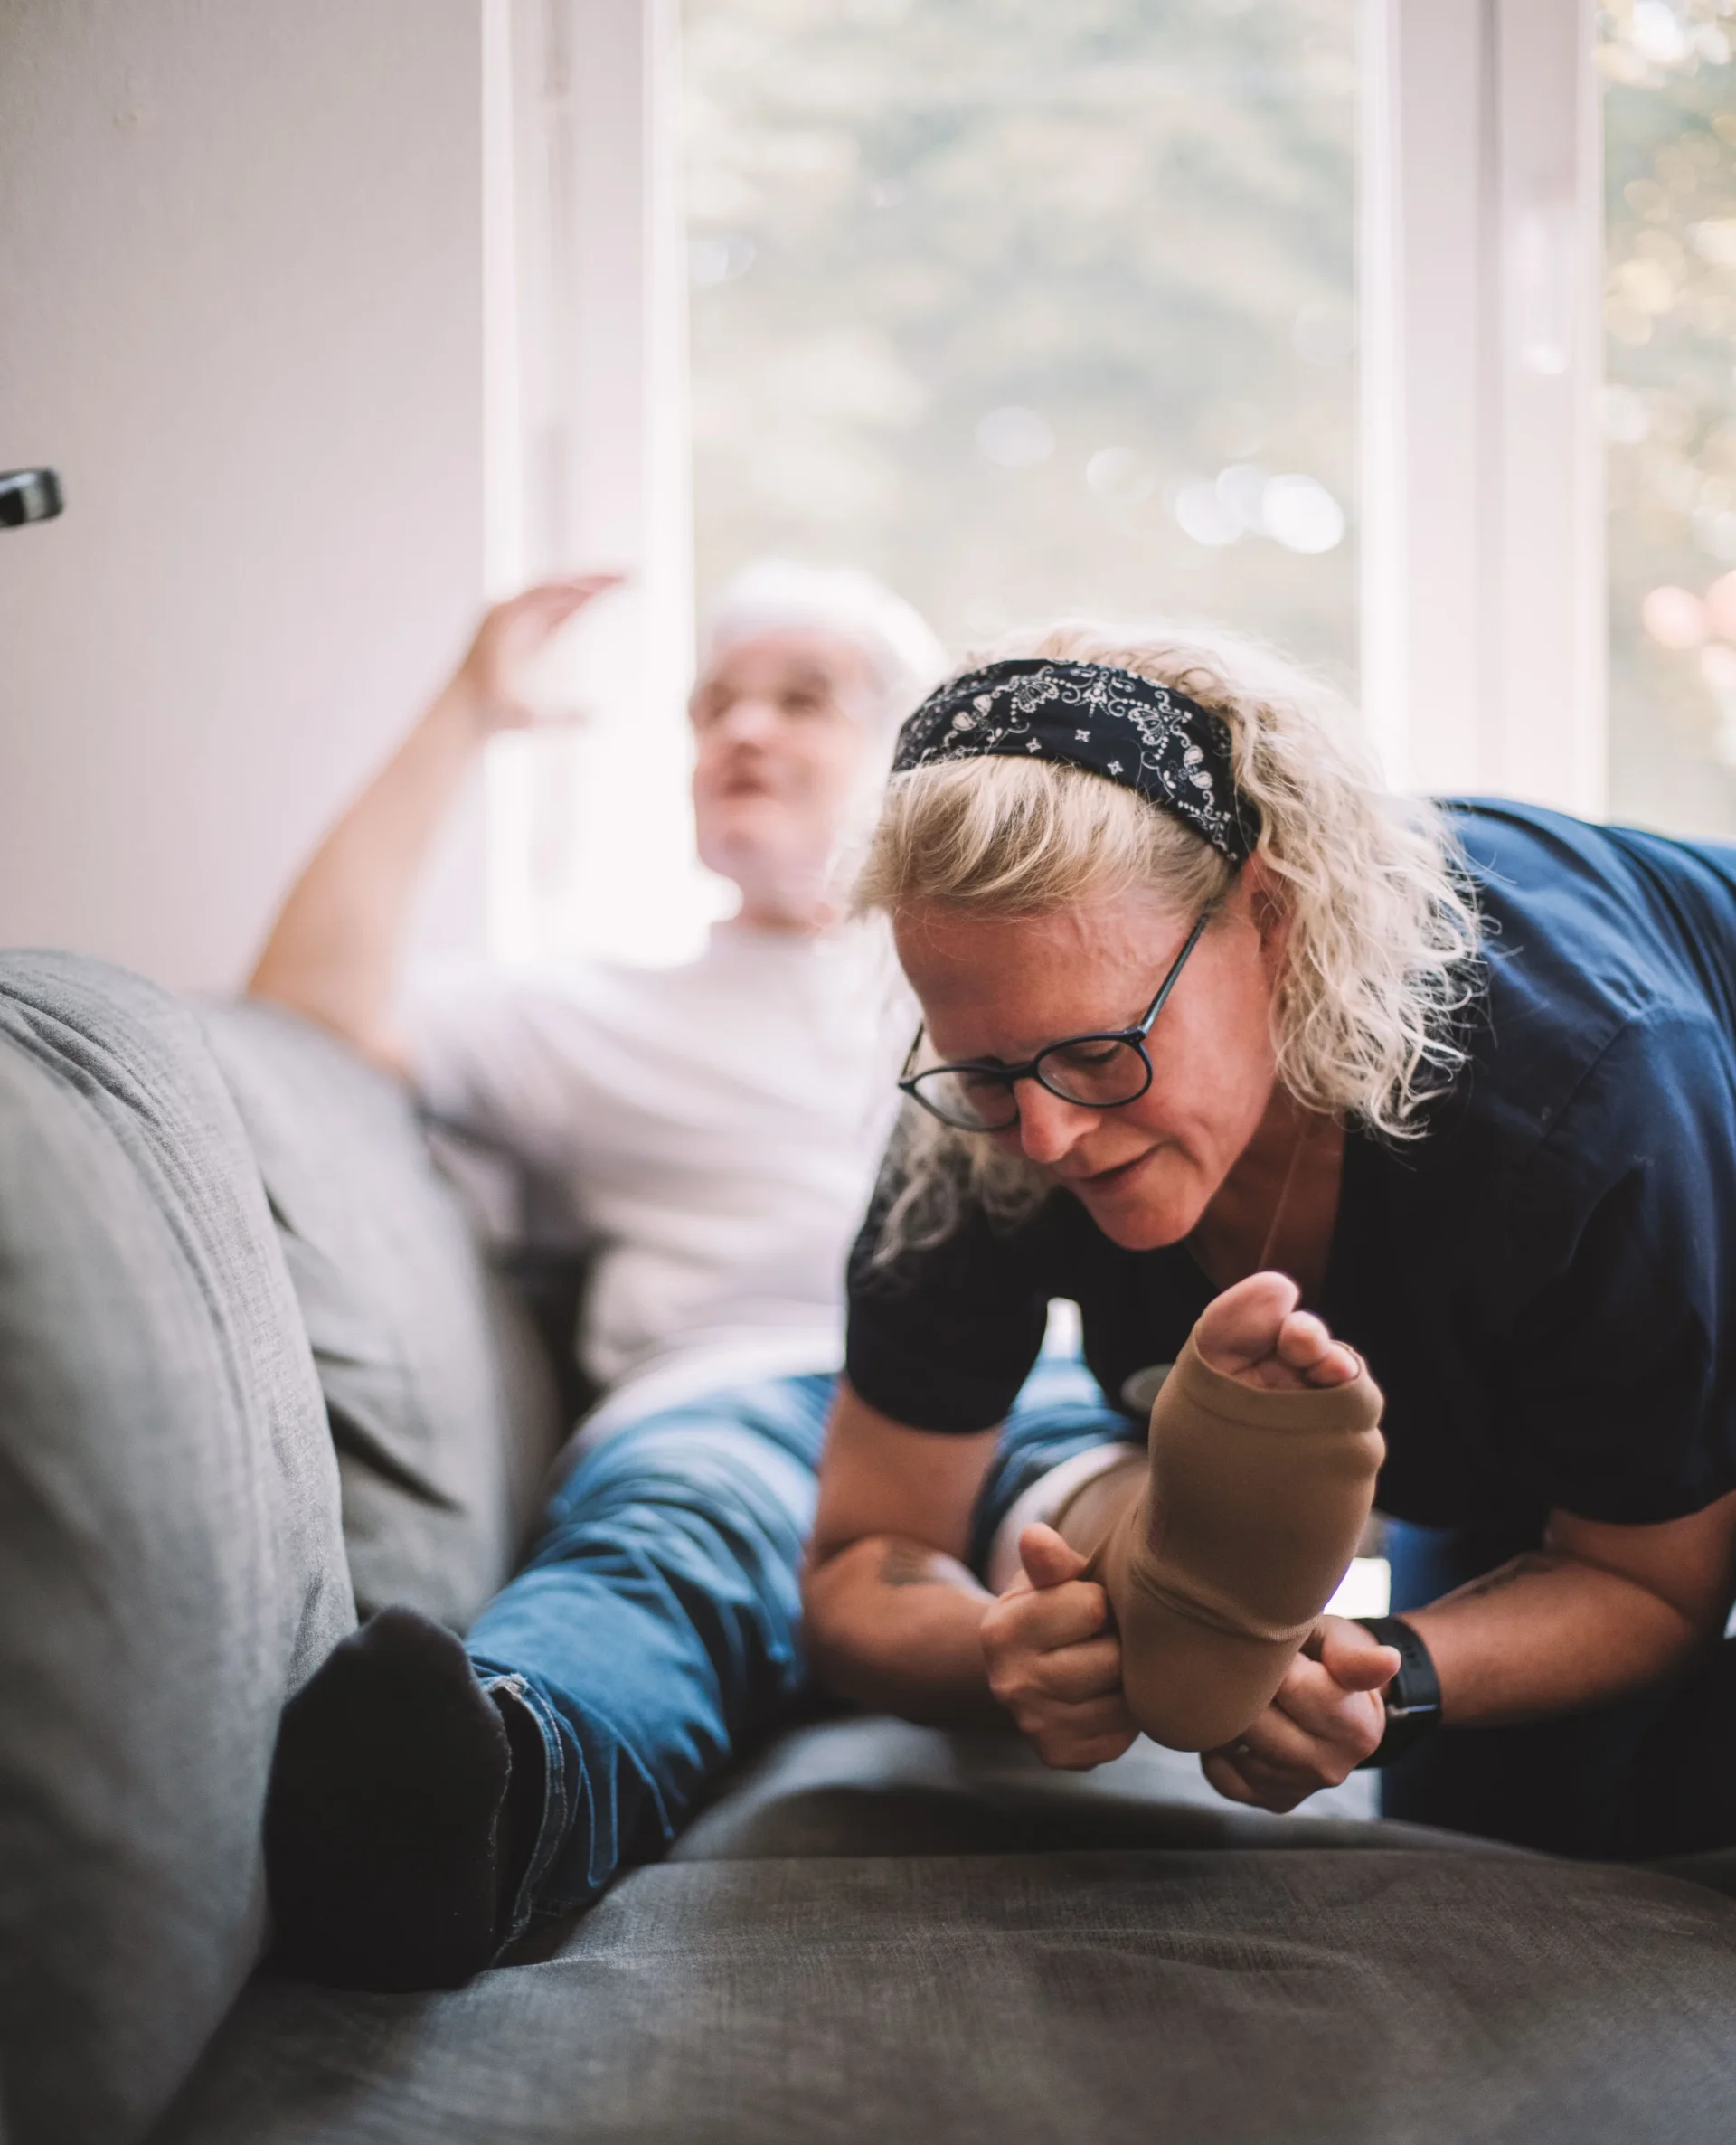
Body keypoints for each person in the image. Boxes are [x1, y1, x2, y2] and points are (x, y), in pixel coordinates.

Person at [252, 560, 1121, 1994]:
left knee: (1100, 1504)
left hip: (1011, 1403)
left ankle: (1267, 1625)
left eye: (803, 700)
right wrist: (466, 713)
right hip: (732, 1415)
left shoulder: (996, 988)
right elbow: (303, 1016)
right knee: (668, 1548)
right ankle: (483, 1801)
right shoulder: (594, 1009)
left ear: (917, 759)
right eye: (713, 706)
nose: (741, 733)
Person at [805, 630, 1736, 1863]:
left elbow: (1659, 1583)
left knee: (1657, 1815)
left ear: (1274, 921)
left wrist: (1393, 1673)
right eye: (987, 1067)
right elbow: (862, 1559)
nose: (1046, 1135)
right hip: (1506, 1405)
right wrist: (997, 1655)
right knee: (1474, 1834)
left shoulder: (1580, 1099)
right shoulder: (985, 1115)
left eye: (1100, 1052)